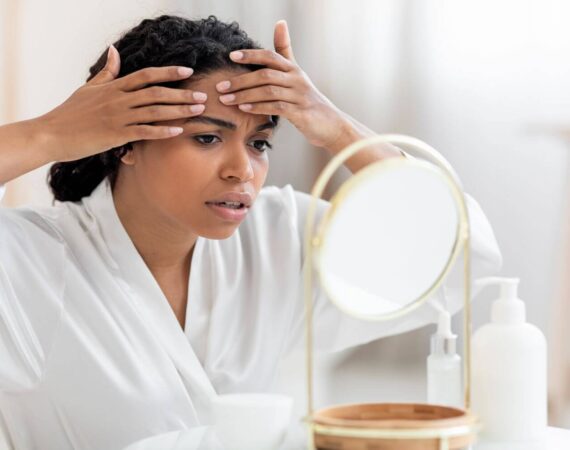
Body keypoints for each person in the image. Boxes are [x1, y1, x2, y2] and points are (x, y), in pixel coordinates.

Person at [0, 15, 502, 450]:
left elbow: (462, 260)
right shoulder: (31, 264)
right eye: (207, 137)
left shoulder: (275, 237)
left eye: (259, 143)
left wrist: (337, 129)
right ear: (124, 141)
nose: (242, 170)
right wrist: (50, 134)